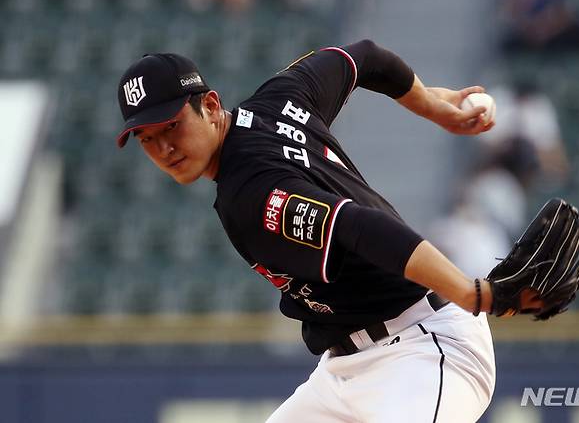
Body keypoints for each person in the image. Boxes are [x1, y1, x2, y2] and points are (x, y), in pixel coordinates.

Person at [116, 40, 543, 422]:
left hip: (423, 352)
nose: (164, 149)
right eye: (146, 139)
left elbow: (359, 226)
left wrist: (473, 294)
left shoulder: (250, 192)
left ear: (209, 106)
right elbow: (365, 57)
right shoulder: (280, 98)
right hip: (343, 370)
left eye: (171, 126)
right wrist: (434, 106)